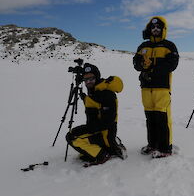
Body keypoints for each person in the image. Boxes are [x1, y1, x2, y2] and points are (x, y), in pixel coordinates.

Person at [133, 16, 179, 158]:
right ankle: (152, 144)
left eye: (158, 27)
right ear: (149, 29)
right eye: (153, 27)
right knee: (150, 118)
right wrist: (142, 65)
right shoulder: (143, 47)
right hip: (146, 88)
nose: (155, 29)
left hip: (162, 88)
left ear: (163, 29)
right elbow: (136, 63)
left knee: (162, 118)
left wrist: (152, 66)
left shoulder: (169, 46)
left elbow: (172, 65)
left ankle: (165, 148)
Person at [66, 63, 126, 164]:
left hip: (105, 134)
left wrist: (88, 128)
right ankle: (99, 148)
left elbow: (107, 122)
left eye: (91, 79)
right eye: (86, 80)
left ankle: (101, 155)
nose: (88, 82)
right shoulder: (95, 91)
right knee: (76, 134)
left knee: (72, 136)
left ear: (97, 78)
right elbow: (95, 106)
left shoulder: (106, 94)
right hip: (101, 131)